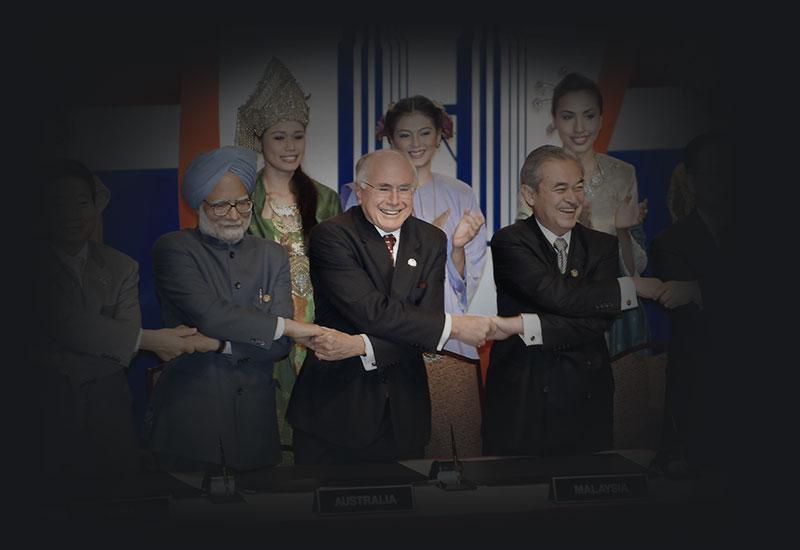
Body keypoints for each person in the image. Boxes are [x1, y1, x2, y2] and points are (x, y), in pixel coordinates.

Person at [287, 149, 497, 465]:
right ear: (359, 191)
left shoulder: (431, 239)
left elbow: (423, 330)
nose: (395, 199)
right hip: (337, 410)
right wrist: (451, 326)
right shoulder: (332, 236)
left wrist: (359, 345)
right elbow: (372, 312)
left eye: (405, 189)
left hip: (403, 412)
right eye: (383, 188)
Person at [148, 146, 326, 472]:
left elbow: (280, 346)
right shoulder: (174, 248)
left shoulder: (272, 254)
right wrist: (284, 326)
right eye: (219, 206)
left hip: (255, 427)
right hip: (192, 422)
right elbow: (210, 314)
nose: (233, 214)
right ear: (199, 206)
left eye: (242, 203)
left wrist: (216, 343)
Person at [484, 146, 664, 457]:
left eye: (578, 186)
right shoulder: (510, 241)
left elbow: (597, 322)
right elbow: (558, 296)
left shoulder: (602, 246)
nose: (573, 198)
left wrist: (525, 325)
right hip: (524, 396)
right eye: (560, 188)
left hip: (586, 394)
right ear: (529, 194)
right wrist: (628, 288)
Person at [35, 159, 204, 477]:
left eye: (81, 202)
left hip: (109, 415)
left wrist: (92, 344)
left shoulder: (121, 266)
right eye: (59, 203)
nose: (73, 213)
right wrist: (146, 339)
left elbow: (117, 355)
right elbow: (62, 322)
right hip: (43, 415)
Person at [343, 95, 487, 457]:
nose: (417, 143)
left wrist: (453, 249)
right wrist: (421, 247)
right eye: (405, 135)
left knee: (459, 451)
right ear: (391, 140)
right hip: (391, 345)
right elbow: (362, 280)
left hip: (450, 343)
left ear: (440, 136)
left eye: (425, 132)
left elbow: (472, 279)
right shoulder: (360, 198)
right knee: (401, 454)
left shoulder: (461, 193)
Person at [235, 58, 341, 460]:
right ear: (260, 140)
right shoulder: (242, 200)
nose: (290, 146)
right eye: (280, 137)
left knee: (317, 435)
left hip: (318, 323)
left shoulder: (325, 197)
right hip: (266, 321)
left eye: (298, 136)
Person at [518, 73, 649, 357]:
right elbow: (526, 256)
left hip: (615, 317)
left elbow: (636, 268)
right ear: (554, 119)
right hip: (560, 312)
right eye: (568, 117)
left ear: (601, 119)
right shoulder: (537, 172)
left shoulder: (623, 174)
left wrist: (623, 231)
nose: (579, 128)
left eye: (588, 116)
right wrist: (577, 229)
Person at [651, 133, 731, 474]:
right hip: (702, 383)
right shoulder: (670, 241)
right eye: (711, 173)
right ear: (694, 181)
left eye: (728, 171)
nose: (722, 182)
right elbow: (692, 316)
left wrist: (699, 288)